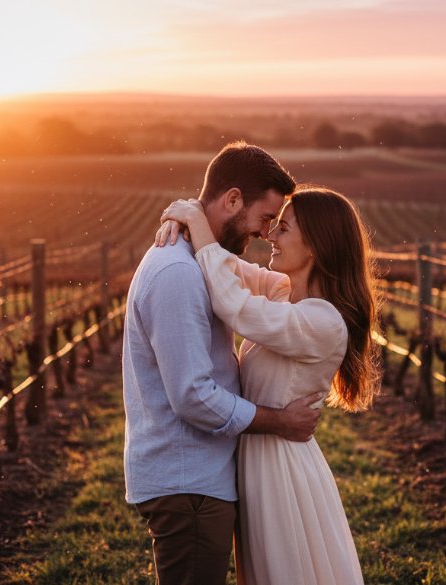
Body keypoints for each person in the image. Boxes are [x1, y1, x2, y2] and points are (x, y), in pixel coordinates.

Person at [122, 141, 325, 585]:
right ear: (232, 199)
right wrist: (280, 421)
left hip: (198, 480)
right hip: (187, 482)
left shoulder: (200, 261)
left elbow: (259, 284)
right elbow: (193, 396)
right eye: (265, 219)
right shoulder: (177, 273)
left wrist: (194, 219)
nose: (265, 233)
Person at [156, 186, 379, 585]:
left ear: (314, 246)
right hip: (256, 458)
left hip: (280, 469)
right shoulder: (283, 294)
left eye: (284, 229)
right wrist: (191, 216)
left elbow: (233, 304)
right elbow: (223, 266)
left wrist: (194, 221)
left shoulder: (323, 322)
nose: (270, 237)